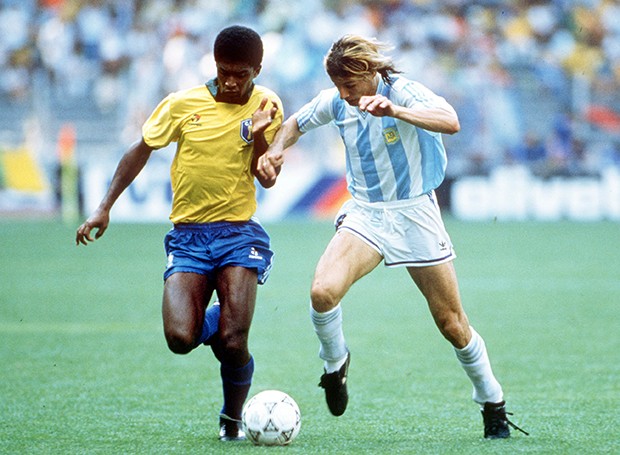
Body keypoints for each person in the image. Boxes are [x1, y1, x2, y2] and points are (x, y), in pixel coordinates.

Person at [257, 35, 527, 439]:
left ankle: (493, 401)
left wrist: (396, 110)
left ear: (368, 72)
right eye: (338, 87)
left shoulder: (403, 91)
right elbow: (296, 122)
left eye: (349, 86)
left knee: (451, 323)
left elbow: (450, 120)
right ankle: (335, 365)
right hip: (366, 214)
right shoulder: (337, 102)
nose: (343, 95)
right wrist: (276, 148)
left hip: (414, 213)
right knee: (322, 292)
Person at [76, 25, 283, 442]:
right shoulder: (182, 103)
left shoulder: (267, 104)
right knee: (180, 338)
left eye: (240, 73)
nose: (230, 79)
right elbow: (141, 149)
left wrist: (260, 134)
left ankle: (231, 418)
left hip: (239, 234)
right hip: (188, 237)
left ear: (257, 69)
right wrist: (104, 206)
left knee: (231, 339)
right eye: (224, 70)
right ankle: (225, 315)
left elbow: (267, 178)